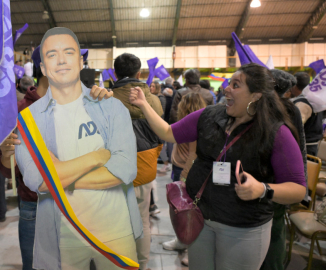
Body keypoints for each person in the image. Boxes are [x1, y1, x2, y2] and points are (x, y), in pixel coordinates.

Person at [130, 63, 306, 270]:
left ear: (256, 95)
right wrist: (143, 104)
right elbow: (169, 132)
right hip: (201, 220)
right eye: (229, 83)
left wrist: (262, 189)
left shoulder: (276, 132)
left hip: (242, 229)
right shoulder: (210, 115)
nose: (226, 88)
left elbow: (298, 189)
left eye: (236, 85)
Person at [15, 27, 140, 270]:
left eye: (68, 52)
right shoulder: (29, 120)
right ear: (42, 68)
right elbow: (35, 180)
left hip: (116, 231)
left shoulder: (111, 107)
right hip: (63, 235)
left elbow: (124, 169)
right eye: (52, 55)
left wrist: (60, 176)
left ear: (81, 61)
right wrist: (99, 156)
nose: (61, 60)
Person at [112, 53, 163, 270]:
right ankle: (142, 265)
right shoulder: (153, 99)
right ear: (139, 73)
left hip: (114, 171)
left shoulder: (107, 97)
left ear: (115, 73)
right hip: (144, 167)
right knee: (142, 221)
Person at [259, 69, 307, 270]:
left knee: (274, 225)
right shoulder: (290, 108)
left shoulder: (269, 108)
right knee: (275, 225)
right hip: (279, 179)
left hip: (273, 178)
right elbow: (301, 146)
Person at [162, 92, 207, 266]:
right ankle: (182, 241)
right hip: (180, 169)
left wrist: (185, 175)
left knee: (188, 211)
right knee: (180, 209)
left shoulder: (193, 126)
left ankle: (190, 248)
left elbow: (193, 154)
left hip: (186, 171)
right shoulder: (191, 123)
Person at [290, 72, 323, 156]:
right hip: (311, 146)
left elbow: (297, 125)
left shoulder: (302, 103)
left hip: (304, 149)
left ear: (294, 85)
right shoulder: (315, 100)